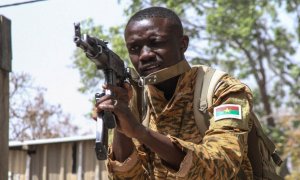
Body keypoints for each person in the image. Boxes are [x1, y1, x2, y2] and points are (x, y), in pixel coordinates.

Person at [95, 6, 254, 179]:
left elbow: (223, 166)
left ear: (183, 44)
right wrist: (122, 126)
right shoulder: (138, 101)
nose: (144, 55)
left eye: (156, 43)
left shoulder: (222, 89)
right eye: (134, 49)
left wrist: (140, 131)